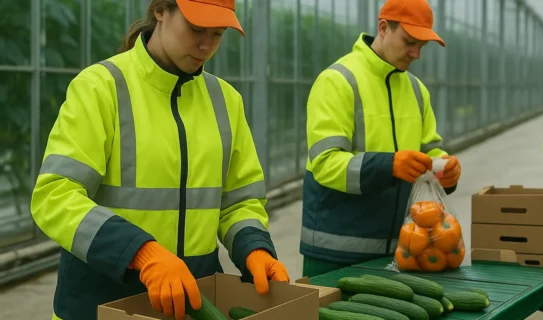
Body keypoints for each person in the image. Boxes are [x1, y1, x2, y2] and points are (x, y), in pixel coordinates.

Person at [29, 1, 289, 319]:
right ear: (160, 11)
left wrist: (254, 247)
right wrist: (142, 253)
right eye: (195, 29)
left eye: (218, 34)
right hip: (101, 302)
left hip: (193, 303)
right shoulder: (100, 88)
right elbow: (55, 196)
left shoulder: (225, 101)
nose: (206, 46)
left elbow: (239, 201)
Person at [299, 0, 462, 277]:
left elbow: (431, 149)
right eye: (409, 42)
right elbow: (326, 163)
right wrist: (389, 166)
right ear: (383, 28)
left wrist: (445, 168)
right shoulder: (337, 81)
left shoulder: (416, 90)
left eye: (421, 46)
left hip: (404, 251)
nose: (416, 54)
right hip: (336, 251)